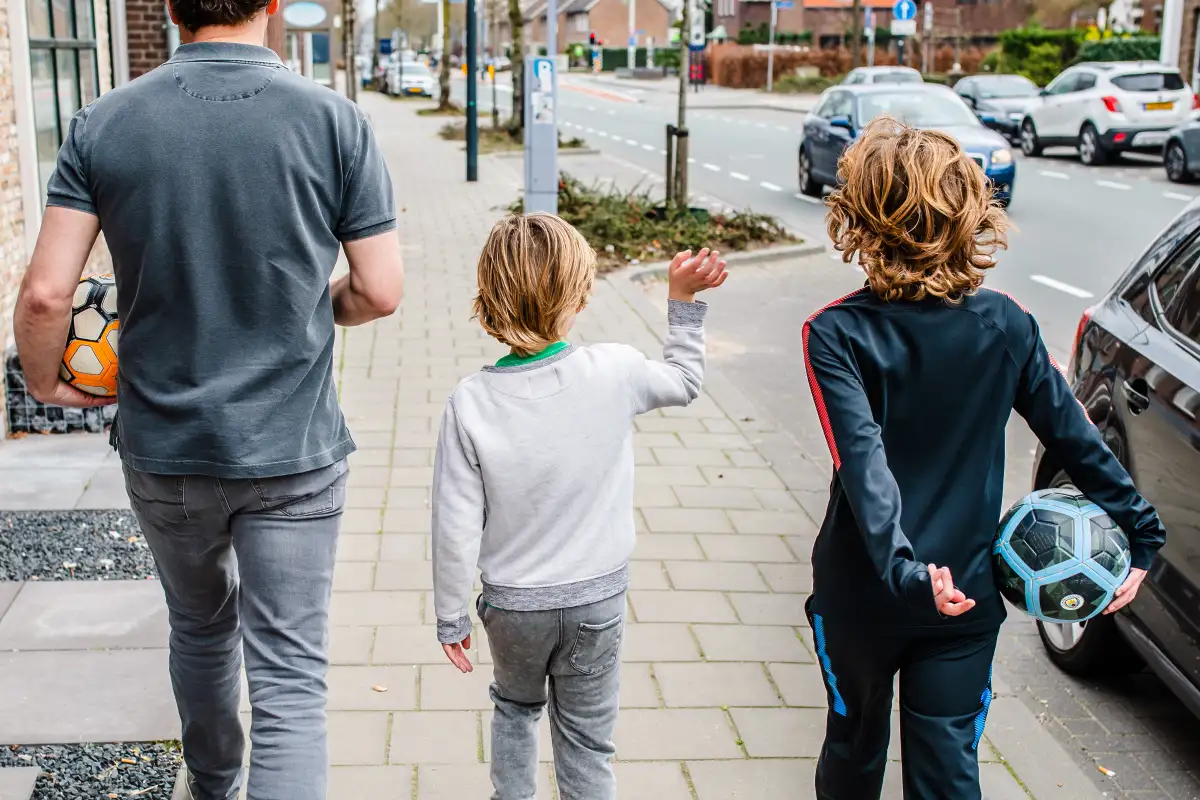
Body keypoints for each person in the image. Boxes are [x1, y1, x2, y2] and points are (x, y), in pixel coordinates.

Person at [12, 0, 403, 796]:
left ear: (169, 6)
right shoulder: (336, 123)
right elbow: (381, 290)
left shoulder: (101, 124)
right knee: (289, 678)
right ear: (272, 4)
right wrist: (317, 307)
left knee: (198, 627)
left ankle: (213, 785)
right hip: (293, 450)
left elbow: (47, 295)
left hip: (165, 450)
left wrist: (44, 381)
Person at [802, 118, 1167, 799]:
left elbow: (864, 465)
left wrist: (906, 573)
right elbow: (1074, 436)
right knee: (947, 772)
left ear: (863, 218)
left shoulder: (835, 332)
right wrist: (1141, 533)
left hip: (863, 592)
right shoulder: (1006, 323)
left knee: (852, 750)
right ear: (967, 211)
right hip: (966, 594)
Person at [431, 213, 726, 800]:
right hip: (597, 600)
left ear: (489, 298)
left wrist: (450, 616)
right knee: (588, 740)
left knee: (515, 709)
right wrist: (682, 301)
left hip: (514, 607)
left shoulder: (470, 402)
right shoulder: (614, 369)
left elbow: (453, 523)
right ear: (580, 295)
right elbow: (684, 380)